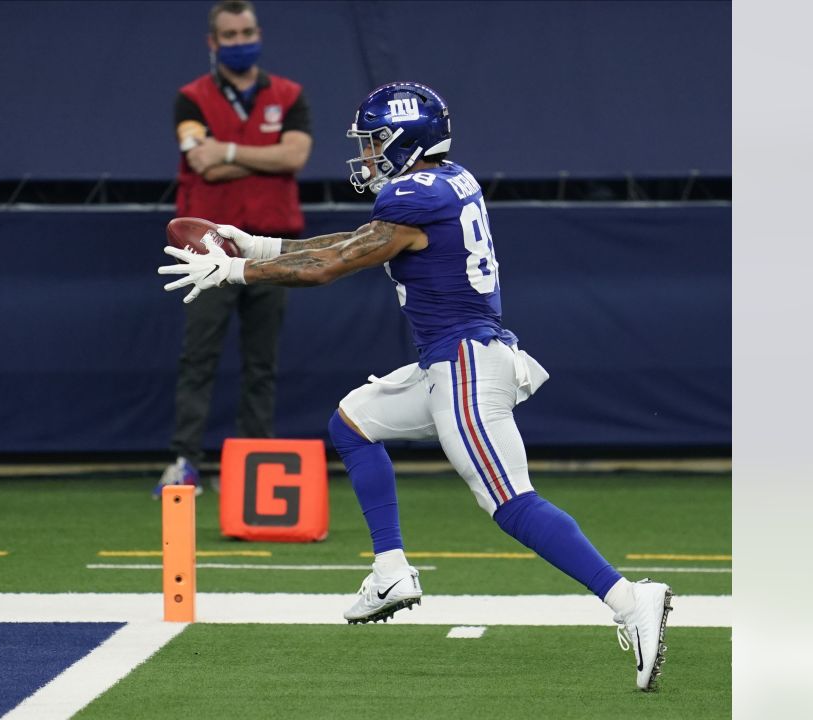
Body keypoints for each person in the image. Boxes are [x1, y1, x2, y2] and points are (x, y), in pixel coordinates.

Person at [158, 81, 673, 692]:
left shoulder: (412, 195)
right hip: (449, 361)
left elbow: (333, 266)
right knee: (352, 422)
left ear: (406, 139)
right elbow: (354, 245)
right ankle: (391, 569)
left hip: (465, 369)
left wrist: (238, 269)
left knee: (510, 503)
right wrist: (258, 244)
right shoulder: (447, 179)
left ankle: (627, 598)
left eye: (376, 140)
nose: (369, 154)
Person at [155, 0, 313, 497]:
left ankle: (256, 463)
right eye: (230, 34)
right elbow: (202, 165)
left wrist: (226, 150)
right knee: (198, 356)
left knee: (262, 360)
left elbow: (297, 154)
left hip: (269, 247)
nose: (241, 40)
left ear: (258, 32)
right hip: (208, 249)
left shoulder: (289, 95)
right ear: (214, 42)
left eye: (247, 31)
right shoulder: (191, 99)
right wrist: (268, 160)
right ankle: (184, 462)